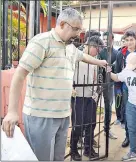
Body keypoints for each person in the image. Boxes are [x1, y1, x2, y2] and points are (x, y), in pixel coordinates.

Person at [1, 8, 107, 161]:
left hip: (63, 115)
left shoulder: (70, 47)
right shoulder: (42, 42)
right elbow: (19, 75)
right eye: (76, 29)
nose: (78, 34)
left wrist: (101, 62)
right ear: (63, 24)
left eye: (80, 30)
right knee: (41, 158)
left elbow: (83, 56)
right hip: (41, 116)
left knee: (58, 158)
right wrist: (11, 112)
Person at [70, 36, 104, 160]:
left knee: (91, 124)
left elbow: (95, 76)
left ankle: (88, 149)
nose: (98, 51)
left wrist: (97, 88)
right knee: (78, 125)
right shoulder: (76, 56)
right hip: (77, 95)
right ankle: (73, 149)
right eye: (97, 48)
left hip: (90, 96)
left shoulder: (95, 60)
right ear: (89, 46)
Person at [115, 30, 136, 148]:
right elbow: (117, 72)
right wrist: (118, 88)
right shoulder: (121, 54)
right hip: (125, 88)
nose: (129, 42)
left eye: (132, 40)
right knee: (127, 113)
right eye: (127, 40)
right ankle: (128, 137)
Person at [98, 31, 118, 139]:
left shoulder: (116, 53)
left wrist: (111, 68)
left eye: (108, 40)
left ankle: (107, 129)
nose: (106, 42)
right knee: (93, 106)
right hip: (98, 82)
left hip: (110, 83)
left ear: (113, 40)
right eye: (104, 40)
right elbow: (97, 67)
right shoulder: (100, 52)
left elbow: (118, 69)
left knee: (108, 107)